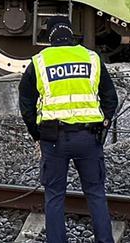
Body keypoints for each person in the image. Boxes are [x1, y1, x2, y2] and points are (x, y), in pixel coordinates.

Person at [18, 16, 117, 243]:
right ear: (71, 34)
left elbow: (25, 103)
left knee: (54, 196)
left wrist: (37, 134)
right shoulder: (92, 58)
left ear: (50, 37)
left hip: (53, 138)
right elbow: (111, 98)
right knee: (95, 193)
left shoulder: (40, 62)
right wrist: (105, 123)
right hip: (89, 137)